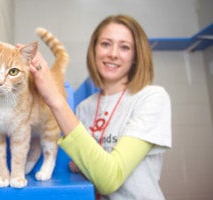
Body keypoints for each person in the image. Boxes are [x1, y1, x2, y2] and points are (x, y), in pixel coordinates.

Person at [29, 14, 171, 200]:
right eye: (105, 44)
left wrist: (54, 97)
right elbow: (81, 167)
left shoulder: (151, 98)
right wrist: (88, 165)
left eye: (124, 47)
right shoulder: (84, 108)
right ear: (94, 50)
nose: (113, 53)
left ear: (136, 57)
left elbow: (108, 179)